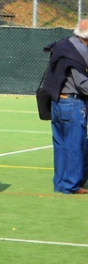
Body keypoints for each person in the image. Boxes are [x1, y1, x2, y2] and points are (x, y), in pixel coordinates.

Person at [40, 19, 88, 194]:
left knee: (61, 144)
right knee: (75, 144)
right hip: (73, 103)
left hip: (57, 102)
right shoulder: (78, 53)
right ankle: (71, 185)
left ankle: (61, 182)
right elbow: (82, 84)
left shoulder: (63, 46)